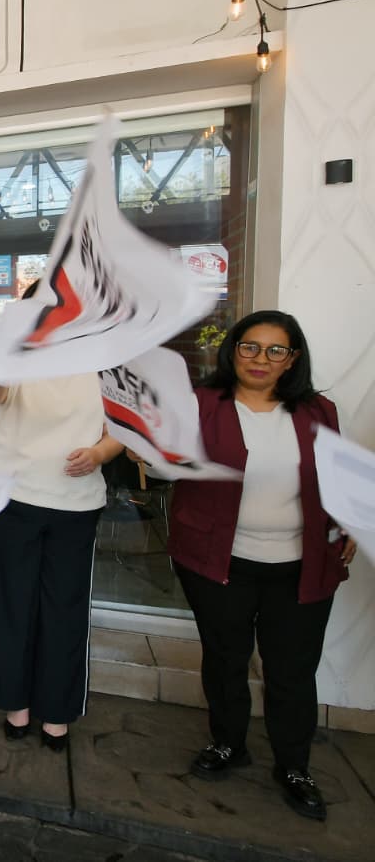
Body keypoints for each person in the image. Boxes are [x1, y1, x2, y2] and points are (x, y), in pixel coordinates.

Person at [165, 310, 351, 821]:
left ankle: (294, 766)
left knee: (292, 670)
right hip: (217, 560)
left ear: (292, 359)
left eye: (275, 350)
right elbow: (165, 463)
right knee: (225, 659)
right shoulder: (201, 404)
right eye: (250, 346)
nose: (260, 359)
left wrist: (350, 524)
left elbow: (337, 478)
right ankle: (229, 743)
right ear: (233, 350)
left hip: (301, 563)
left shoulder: (318, 411)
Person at [0, 279, 122, 750]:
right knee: (13, 606)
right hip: (13, 499)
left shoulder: (107, 359)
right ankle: (15, 703)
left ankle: (57, 711)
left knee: (65, 611)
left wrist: (98, 454)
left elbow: (121, 430)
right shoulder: (19, 353)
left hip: (75, 504)